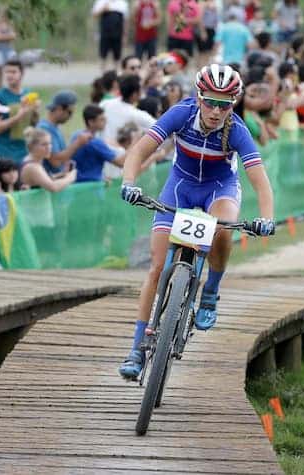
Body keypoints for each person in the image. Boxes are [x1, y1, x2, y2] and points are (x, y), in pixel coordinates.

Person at [117, 64, 275, 379]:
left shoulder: (239, 131)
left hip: (219, 189)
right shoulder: (181, 114)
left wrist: (267, 218)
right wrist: (128, 182)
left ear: (234, 103)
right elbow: (139, 150)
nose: (216, 111)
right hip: (180, 186)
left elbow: (260, 181)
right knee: (157, 267)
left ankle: (210, 292)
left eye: (225, 104)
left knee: (222, 230)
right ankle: (136, 348)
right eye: (210, 102)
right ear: (198, 97)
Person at [0, 60, 39, 163]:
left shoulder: (28, 94)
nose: (9, 75)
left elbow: (33, 125)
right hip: (5, 152)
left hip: (25, 151)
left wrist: (35, 112)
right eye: (7, 72)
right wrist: (19, 115)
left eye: (13, 72)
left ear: (22, 74)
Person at [36, 91, 92, 177]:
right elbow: (55, 161)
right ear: (59, 109)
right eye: (70, 112)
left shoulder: (55, 128)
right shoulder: (45, 129)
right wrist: (78, 143)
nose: (71, 116)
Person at [72, 104, 129, 182]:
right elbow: (121, 163)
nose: (105, 122)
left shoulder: (76, 135)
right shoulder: (95, 142)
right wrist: (134, 145)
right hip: (92, 187)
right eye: (101, 119)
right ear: (91, 122)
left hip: (77, 183)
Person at [19, 127, 77, 192]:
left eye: (50, 143)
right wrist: (70, 178)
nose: (49, 147)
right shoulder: (32, 167)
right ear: (31, 146)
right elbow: (53, 187)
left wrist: (62, 174)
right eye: (44, 144)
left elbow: (43, 180)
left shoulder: (34, 162)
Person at [92, 0, 130, 71]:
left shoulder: (123, 3)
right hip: (105, 34)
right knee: (103, 56)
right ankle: (103, 77)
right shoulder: (101, 2)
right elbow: (94, 14)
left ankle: (117, 76)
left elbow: (126, 20)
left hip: (118, 35)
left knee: (117, 58)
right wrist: (103, 9)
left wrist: (125, 35)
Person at [0, 6, 18, 89]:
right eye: (1, 14)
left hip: (9, 49)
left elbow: (14, 36)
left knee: (13, 66)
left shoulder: (10, 24)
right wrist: (8, 36)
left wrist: (3, 36)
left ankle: (12, 85)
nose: (3, 16)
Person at [196, 0, 219, 68]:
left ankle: (206, 69)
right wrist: (203, 31)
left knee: (209, 52)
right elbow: (200, 17)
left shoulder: (213, 3)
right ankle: (201, 69)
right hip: (205, 29)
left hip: (211, 29)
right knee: (203, 53)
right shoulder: (202, 3)